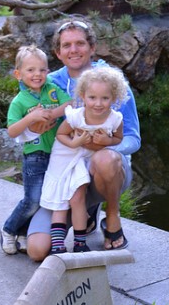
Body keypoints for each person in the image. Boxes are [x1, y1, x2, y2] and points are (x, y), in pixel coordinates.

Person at [24, 19, 140, 260]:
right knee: (37, 250)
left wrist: (103, 145)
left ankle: (112, 215)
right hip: (65, 176)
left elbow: (133, 139)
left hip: (103, 173)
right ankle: (83, 213)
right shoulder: (48, 83)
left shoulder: (113, 83)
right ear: (58, 52)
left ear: (92, 47)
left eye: (80, 43)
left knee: (105, 159)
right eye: (66, 45)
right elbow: (28, 130)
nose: (73, 50)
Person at [40, 67, 125, 253]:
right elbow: (61, 135)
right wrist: (75, 142)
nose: (98, 103)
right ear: (83, 96)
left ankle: (80, 242)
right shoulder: (76, 116)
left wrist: (107, 141)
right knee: (61, 198)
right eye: (92, 97)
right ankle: (57, 245)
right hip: (66, 156)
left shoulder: (115, 118)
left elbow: (118, 139)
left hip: (84, 160)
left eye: (105, 98)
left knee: (77, 196)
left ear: (114, 97)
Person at [0, 45, 70, 254]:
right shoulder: (19, 101)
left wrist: (52, 114)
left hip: (57, 154)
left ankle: (23, 232)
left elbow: (70, 104)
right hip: (35, 157)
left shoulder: (52, 89)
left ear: (48, 71)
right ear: (18, 74)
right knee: (33, 199)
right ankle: (8, 229)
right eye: (30, 70)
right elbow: (12, 131)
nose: (37, 74)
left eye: (42, 69)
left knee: (46, 198)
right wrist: (30, 118)